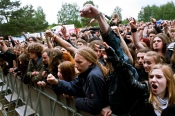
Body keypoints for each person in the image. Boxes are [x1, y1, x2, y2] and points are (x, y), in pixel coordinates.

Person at [46, 47, 108, 115]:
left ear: (90, 62)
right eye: (75, 61)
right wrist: (57, 82)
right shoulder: (86, 72)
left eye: (79, 62)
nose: (76, 65)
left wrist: (76, 100)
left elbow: (93, 106)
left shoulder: (93, 76)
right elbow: (74, 86)